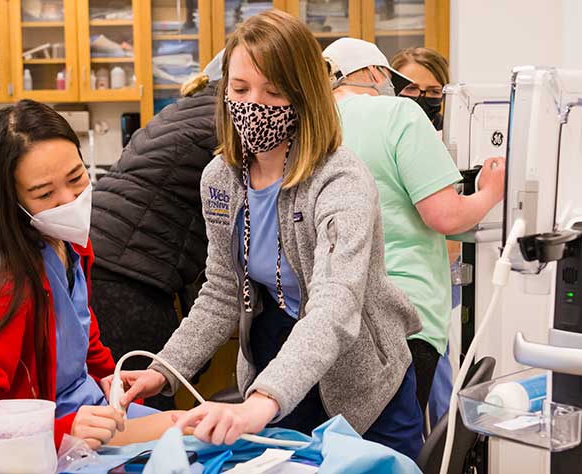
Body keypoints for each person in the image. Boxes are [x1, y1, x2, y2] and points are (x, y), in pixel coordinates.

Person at [102, 10, 425, 460]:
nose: (254, 104)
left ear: (305, 96)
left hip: (362, 378)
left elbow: (336, 304)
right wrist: (164, 369)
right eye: (240, 90)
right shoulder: (221, 178)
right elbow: (220, 292)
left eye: (274, 92)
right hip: (275, 359)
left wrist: (261, 400)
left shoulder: (340, 179)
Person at [0, 99, 182, 450]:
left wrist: (108, 377)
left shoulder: (69, 242)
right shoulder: (2, 281)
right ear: (9, 202)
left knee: (196, 429)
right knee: (191, 432)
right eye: (45, 194)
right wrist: (62, 432)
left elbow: (79, 328)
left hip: (88, 412)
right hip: (45, 442)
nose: (69, 200)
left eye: (77, 178)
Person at [323, 38, 506, 414]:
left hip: (333, 311)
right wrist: (490, 192)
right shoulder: (398, 115)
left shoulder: (315, 126)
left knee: (344, 441)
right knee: (395, 448)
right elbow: (446, 216)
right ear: (376, 72)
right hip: (405, 311)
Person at [88, 54, 222, 410]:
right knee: (141, 414)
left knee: (117, 403)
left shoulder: (178, 111)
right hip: (131, 276)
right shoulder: (223, 124)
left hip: (96, 257)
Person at [392, 46, 458, 426]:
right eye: (411, 89)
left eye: (433, 93)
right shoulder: (382, 138)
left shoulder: (450, 143)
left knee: (444, 385)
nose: (421, 99)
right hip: (400, 282)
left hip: (446, 277)